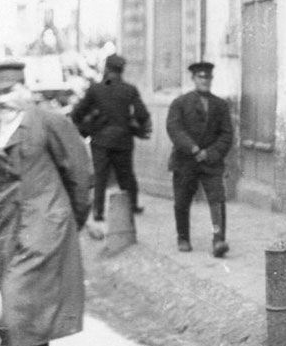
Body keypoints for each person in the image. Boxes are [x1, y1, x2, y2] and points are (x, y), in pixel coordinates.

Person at [0, 59, 92, 346]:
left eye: (10, 90)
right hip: (10, 225)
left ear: (25, 89)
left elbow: (79, 172)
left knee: (21, 291)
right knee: (25, 292)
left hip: (47, 221)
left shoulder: (48, 122)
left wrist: (72, 219)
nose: (4, 99)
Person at [70, 53, 151, 221]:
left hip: (100, 140)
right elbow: (142, 114)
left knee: (101, 177)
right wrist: (135, 126)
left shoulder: (96, 89)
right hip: (123, 140)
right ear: (122, 70)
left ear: (106, 68)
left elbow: (77, 113)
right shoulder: (129, 89)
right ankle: (132, 206)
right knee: (127, 175)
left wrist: (86, 127)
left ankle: (98, 212)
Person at [166, 61, 235, 257]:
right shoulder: (180, 103)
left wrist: (210, 153)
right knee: (182, 201)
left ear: (211, 79)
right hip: (185, 160)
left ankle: (218, 239)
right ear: (194, 79)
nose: (205, 81)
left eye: (208, 77)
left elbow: (226, 135)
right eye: (200, 77)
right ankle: (183, 237)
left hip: (211, 162)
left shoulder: (220, 105)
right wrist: (193, 148)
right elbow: (174, 129)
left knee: (217, 200)